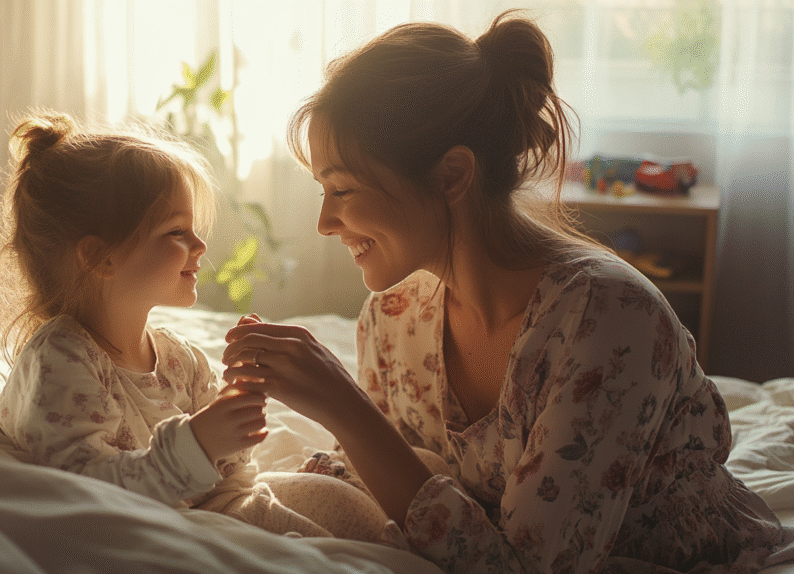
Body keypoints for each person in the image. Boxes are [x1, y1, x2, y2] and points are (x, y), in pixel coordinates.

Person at [221, 11, 785, 573]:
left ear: (451, 176)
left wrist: (346, 408)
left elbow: (529, 568)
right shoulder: (392, 318)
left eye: (342, 188)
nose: (324, 222)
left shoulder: (610, 320)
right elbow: (403, 487)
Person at [0, 111, 387, 541]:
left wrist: (242, 395)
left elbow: (232, 473)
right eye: (176, 232)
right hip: (185, 519)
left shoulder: (177, 357)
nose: (200, 245)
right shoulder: (61, 358)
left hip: (220, 502)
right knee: (347, 532)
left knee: (357, 500)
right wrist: (198, 443)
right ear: (102, 258)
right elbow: (84, 489)